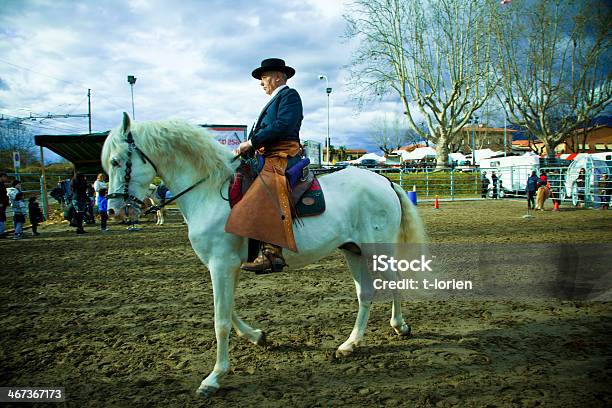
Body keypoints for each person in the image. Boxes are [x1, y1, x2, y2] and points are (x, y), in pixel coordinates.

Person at [227, 58, 304, 273]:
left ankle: (272, 251)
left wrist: (251, 142)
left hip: (283, 152)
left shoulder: (289, 95)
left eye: (264, 77)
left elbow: (283, 125)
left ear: (278, 76)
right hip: (266, 152)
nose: (261, 83)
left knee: (268, 182)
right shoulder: (273, 100)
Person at [0, 173, 9, 238]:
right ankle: (1, 233)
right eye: (5, 177)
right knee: (1, 218)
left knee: (2, 218)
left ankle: (2, 232)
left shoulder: (2, 184)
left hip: (3, 204)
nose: (6, 178)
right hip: (1, 204)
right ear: (2, 177)